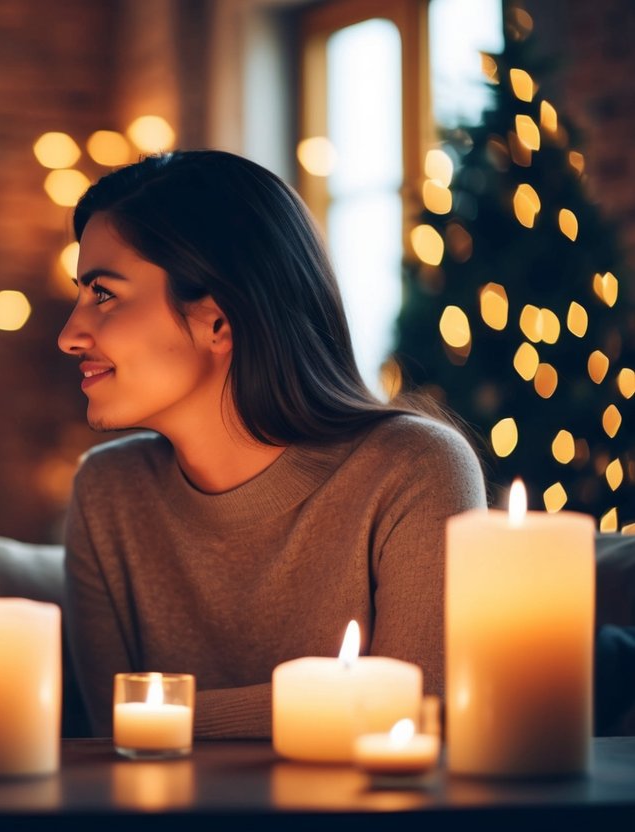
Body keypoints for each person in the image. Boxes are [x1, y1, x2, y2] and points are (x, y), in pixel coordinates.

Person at [57, 150, 487, 739]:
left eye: (102, 293)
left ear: (218, 320)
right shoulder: (107, 491)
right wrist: (346, 699)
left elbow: (420, 711)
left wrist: (160, 717)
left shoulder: (416, 469)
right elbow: (110, 733)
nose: (69, 335)